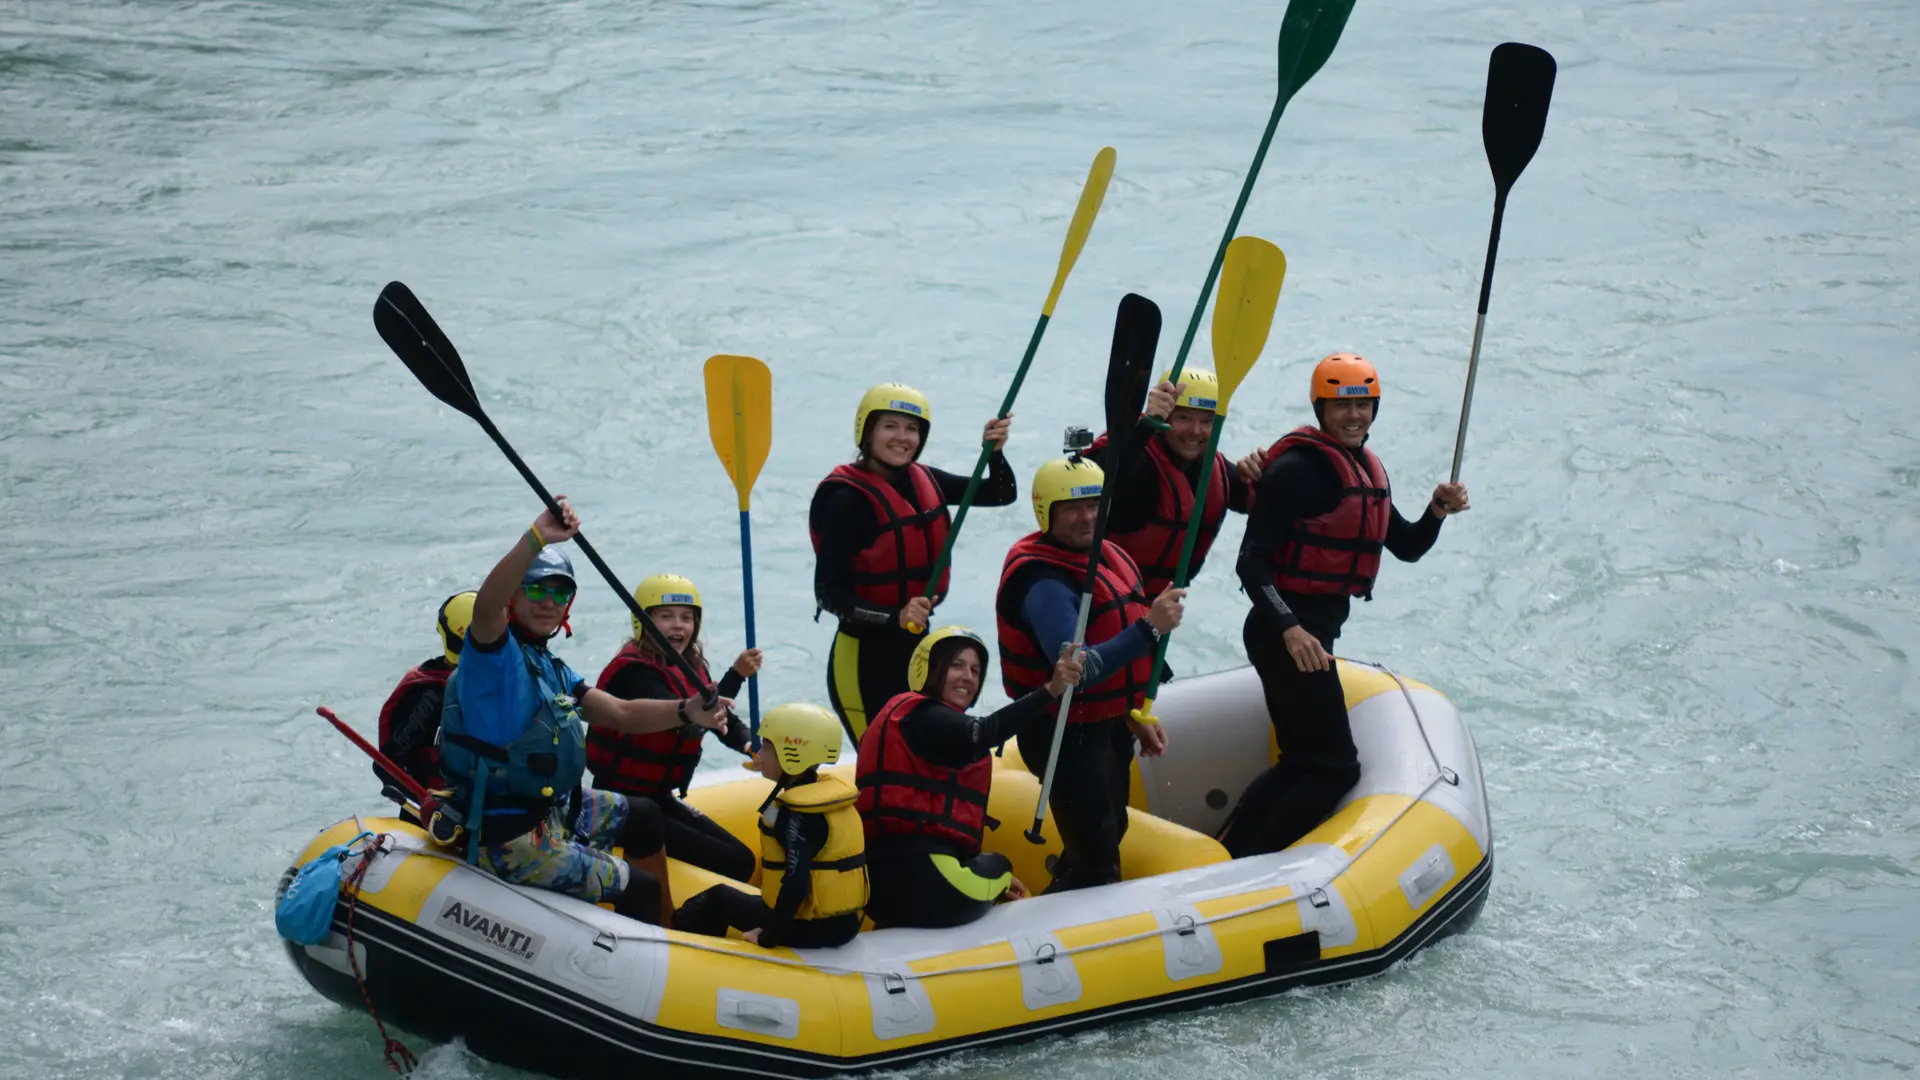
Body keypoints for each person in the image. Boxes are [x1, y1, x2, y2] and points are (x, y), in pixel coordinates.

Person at [437, 499, 731, 927]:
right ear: (514, 597)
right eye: (536, 590)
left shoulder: (547, 664)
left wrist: (688, 711)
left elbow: (621, 713)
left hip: (550, 810)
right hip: (510, 838)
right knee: (641, 888)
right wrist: (536, 537)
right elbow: (485, 607)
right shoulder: (493, 659)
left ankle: (669, 932)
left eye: (560, 593)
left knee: (645, 816)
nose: (549, 602)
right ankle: (652, 952)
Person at [1221, 354, 1470, 857]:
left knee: (1304, 760)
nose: (1354, 416)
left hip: (1311, 632)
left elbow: (1408, 546)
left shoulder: (1364, 469)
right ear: (1321, 408)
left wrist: (1437, 510)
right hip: (1284, 633)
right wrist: (1291, 628)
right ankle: (1247, 862)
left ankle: (1231, 850)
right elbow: (1251, 561)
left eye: (1363, 405)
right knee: (1335, 768)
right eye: (1341, 406)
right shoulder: (1295, 471)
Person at [993, 454, 1185, 892]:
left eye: (1095, 505)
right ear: (1047, 512)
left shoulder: (1107, 556)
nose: (1087, 517)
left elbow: (1116, 642)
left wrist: (1130, 714)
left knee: (1111, 829)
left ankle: (1062, 887)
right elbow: (1076, 669)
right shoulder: (1043, 581)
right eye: (1073, 508)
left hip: (1100, 724)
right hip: (1061, 732)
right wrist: (1150, 627)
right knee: (1097, 861)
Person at [810, 382, 1016, 743]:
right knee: (880, 761)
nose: (902, 438)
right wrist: (895, 617)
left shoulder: (926, 479)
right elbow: (828, 594)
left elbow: (1001, 493)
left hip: (918, 652)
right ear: (867, 431)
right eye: (890, 426)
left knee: (920, 758)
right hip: (863, 661)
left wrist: (995, 453)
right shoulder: (846, 501)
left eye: (912, 429)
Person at [856, 627, 1083, 929]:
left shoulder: (909, 719)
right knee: (1000, 866)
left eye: (975, 670)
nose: (968, 677)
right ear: (929, 668)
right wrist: (1051, 690)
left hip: (879, 890)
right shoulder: (927, 716)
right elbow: (985, 732)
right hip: (929, 881)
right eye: (957, 665)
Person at [589, 573, 761, 883]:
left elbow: (716, 714)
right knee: (735, 864)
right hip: (622, 802)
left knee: (744, 860)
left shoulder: (690, 665)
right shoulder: (636, 674)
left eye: (686, 617)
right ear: (642, 621)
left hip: (659, 797)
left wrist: (751, 745)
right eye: (666, 616)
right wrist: (735, 676)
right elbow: (689, 721)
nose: (678, 626)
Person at [675, 704, 868, 949]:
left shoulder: (797, 816)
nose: (759, 752)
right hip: (845, 924)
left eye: (766, 745)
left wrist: (769, 936)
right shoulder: (823, 798)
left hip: (812, 928)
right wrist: (766, 763)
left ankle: (676, 943)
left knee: (718, 898)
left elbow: (796, 886)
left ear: (791, 755)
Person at [1086, 368, 1253, 595]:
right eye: (1184, 418)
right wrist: (1145, 425)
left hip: (1155, 604)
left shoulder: (1215, 470)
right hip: (1099, 596)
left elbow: (1265, 501)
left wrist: (1258, 470)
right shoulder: (1138, 462)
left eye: (1207, 421)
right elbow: (1106, 477)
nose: (1196, 431)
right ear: (1165, 417)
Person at [375, 590, 476, 809]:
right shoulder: (429, 695)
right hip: (438, 818)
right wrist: (429, 805)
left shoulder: (505, 684)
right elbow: (388, 765)